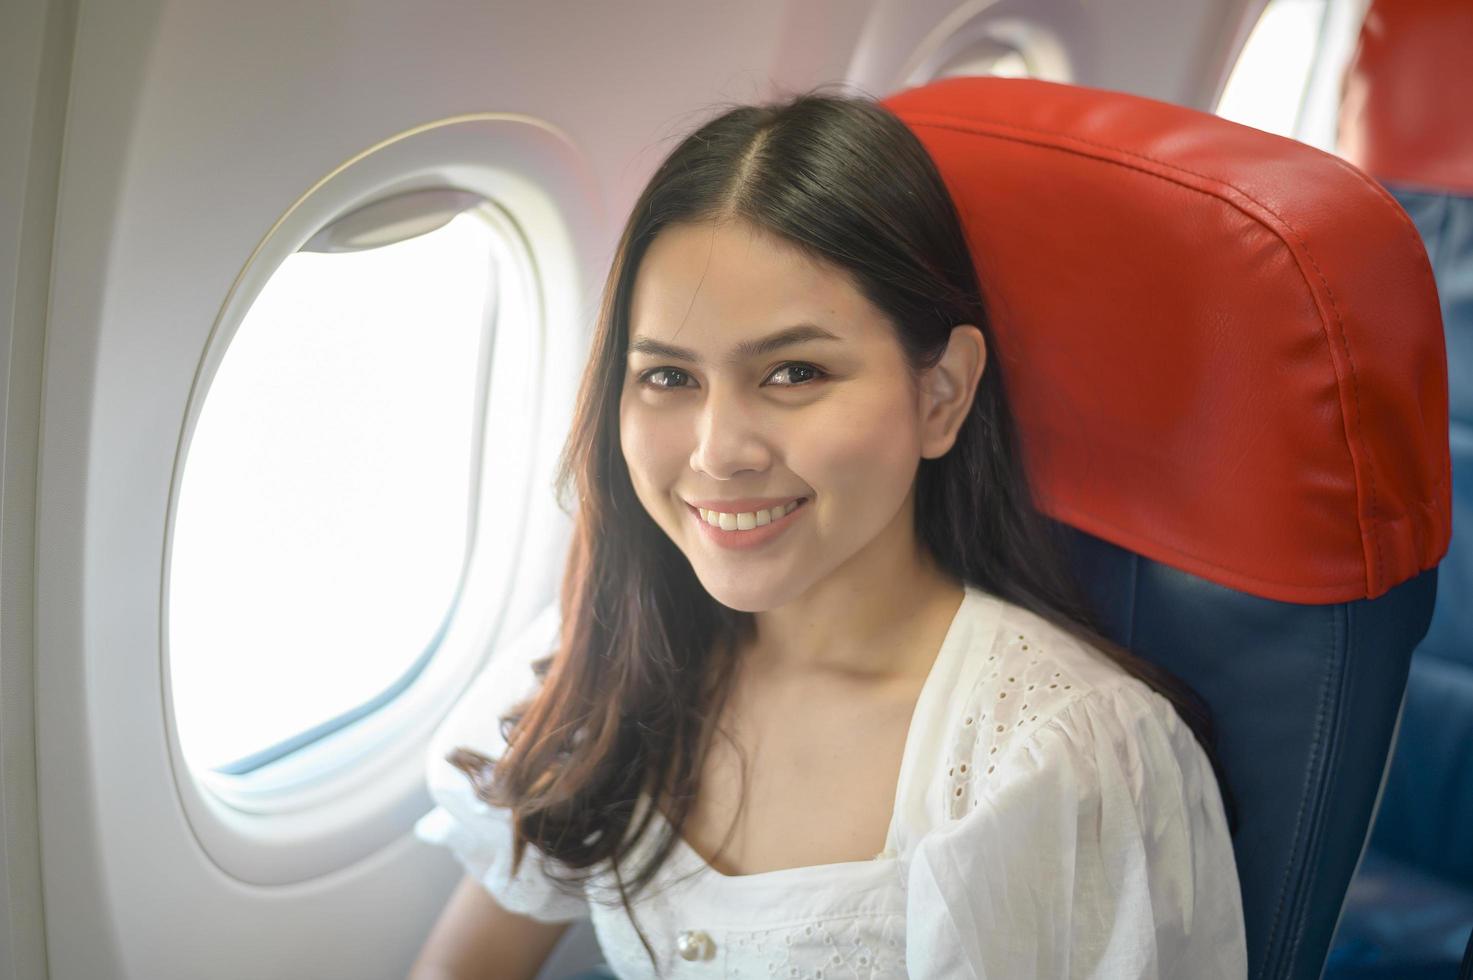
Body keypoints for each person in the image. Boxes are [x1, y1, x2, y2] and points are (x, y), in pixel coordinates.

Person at [410, 87, 1249, 979]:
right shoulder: (611, 657)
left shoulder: (1053, 760)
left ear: (941, 394)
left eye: (794, 371)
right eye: (667, 377)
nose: (718, 451)